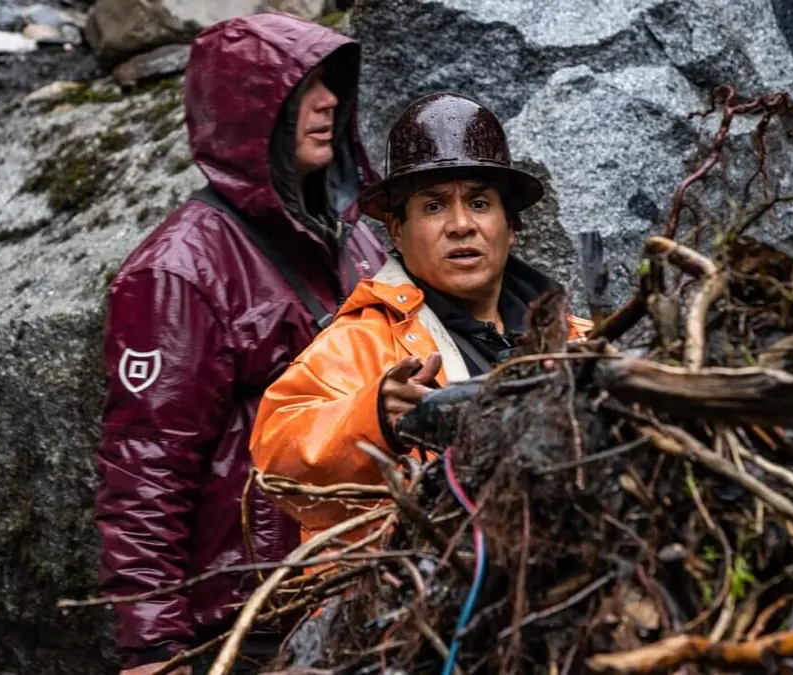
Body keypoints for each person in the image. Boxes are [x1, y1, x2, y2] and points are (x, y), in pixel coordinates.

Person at [93, 12, 387, 675]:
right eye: (306, 87)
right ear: (252, 108)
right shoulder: (177, 272)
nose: (330, 102)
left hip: (361, 593)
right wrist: (152, 646)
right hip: (248, 623)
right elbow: (146, 466)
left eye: (332, 84)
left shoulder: (356, 242)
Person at [248, 92, 592, 543]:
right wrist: (373, 418)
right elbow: (276, 461)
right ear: (397, 230)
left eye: (480, 203)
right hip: (414, 582)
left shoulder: (578, 341)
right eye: (434, 206)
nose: (461, 225)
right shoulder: (357, 344)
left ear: (511, 226)